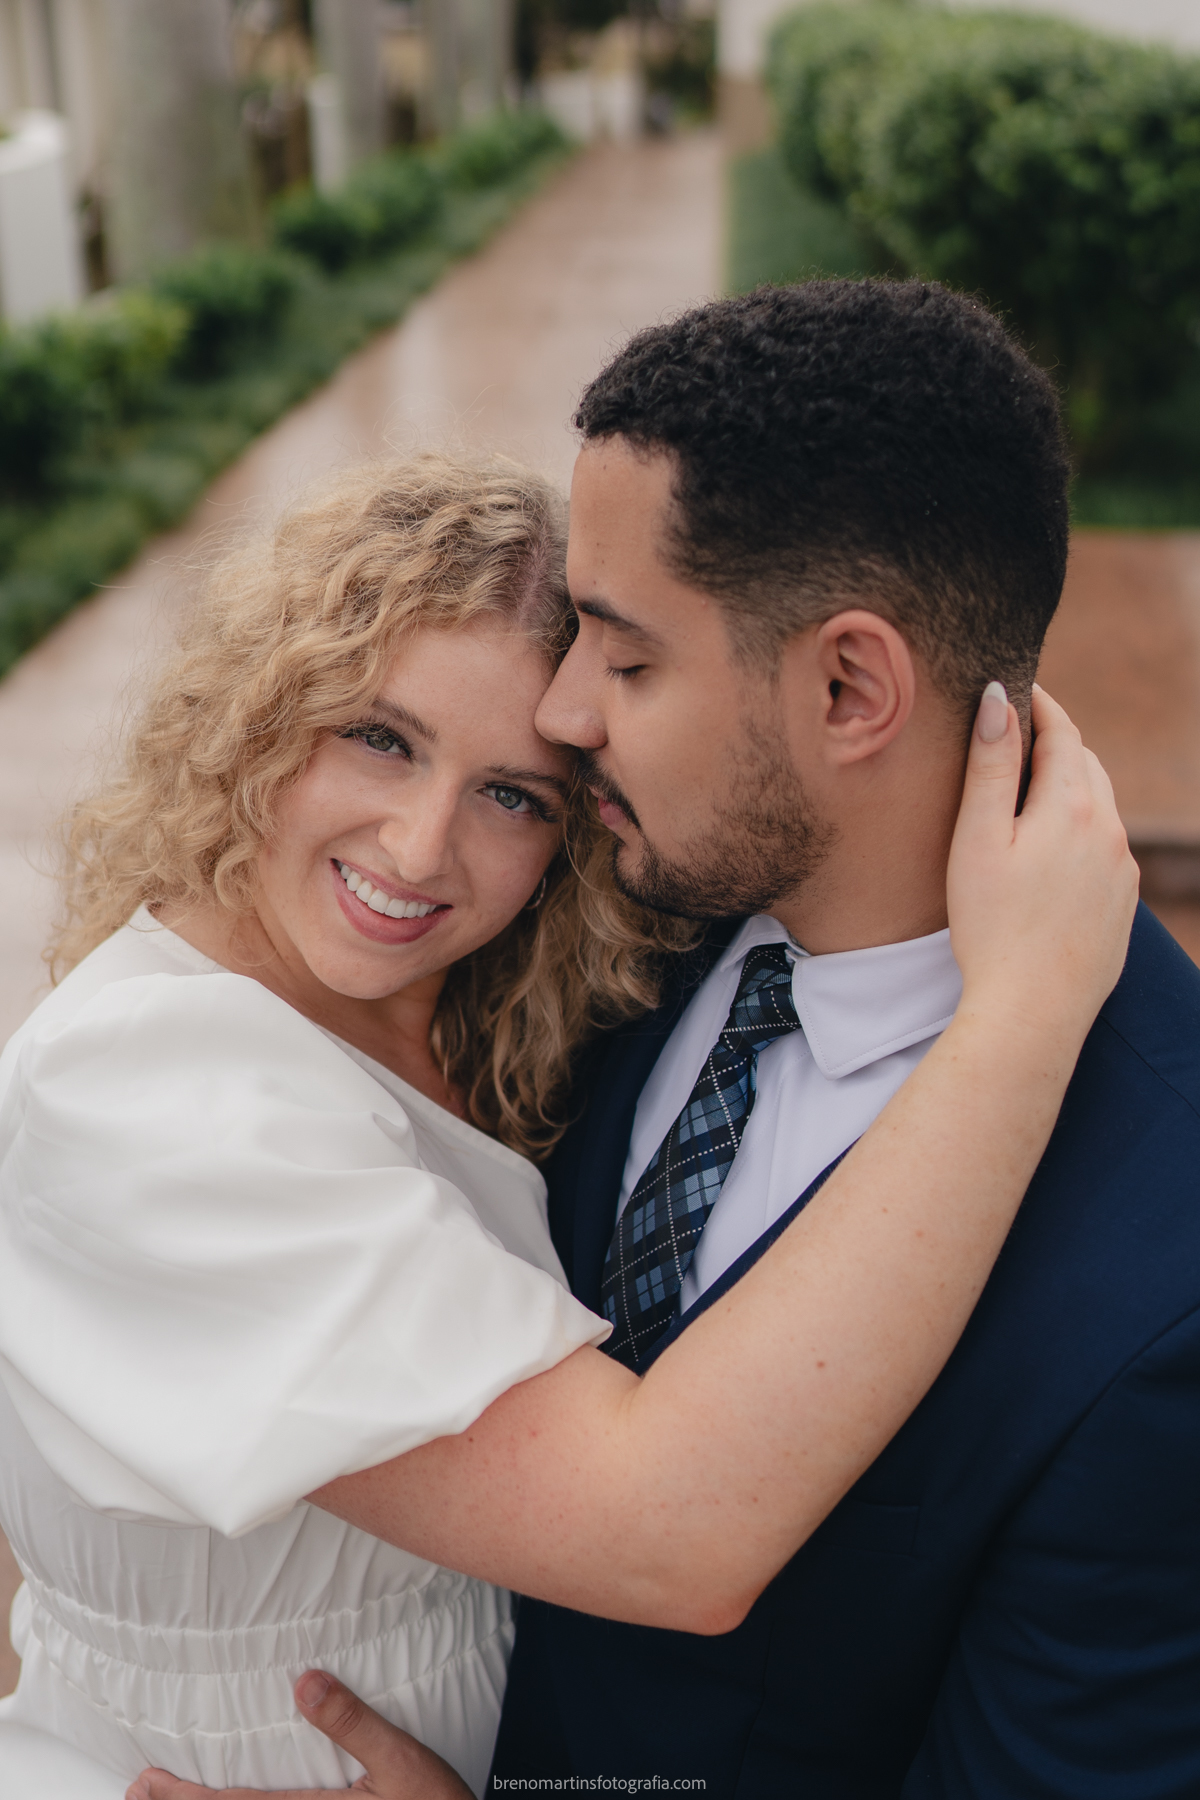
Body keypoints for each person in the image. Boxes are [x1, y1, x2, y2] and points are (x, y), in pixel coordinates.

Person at [141, 280, 1200, 1800]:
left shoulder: (1167, 1287)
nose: (562, 717)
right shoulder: (613, 903)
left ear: (849, 687)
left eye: (627, 660)